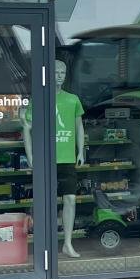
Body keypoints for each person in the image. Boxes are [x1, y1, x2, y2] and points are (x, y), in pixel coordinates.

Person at [22, 58, 86, 258]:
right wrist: (30, 154)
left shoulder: (73, 99)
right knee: (46, 202)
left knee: (70, 199)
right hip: (45, 158)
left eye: (62, 73)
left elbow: (79, 127)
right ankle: (44, 246)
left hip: (67, 158)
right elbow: (27, 127)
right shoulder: (39, 98)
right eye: (56, 73)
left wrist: (81, 151)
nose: (59, 76)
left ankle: (67, 243)